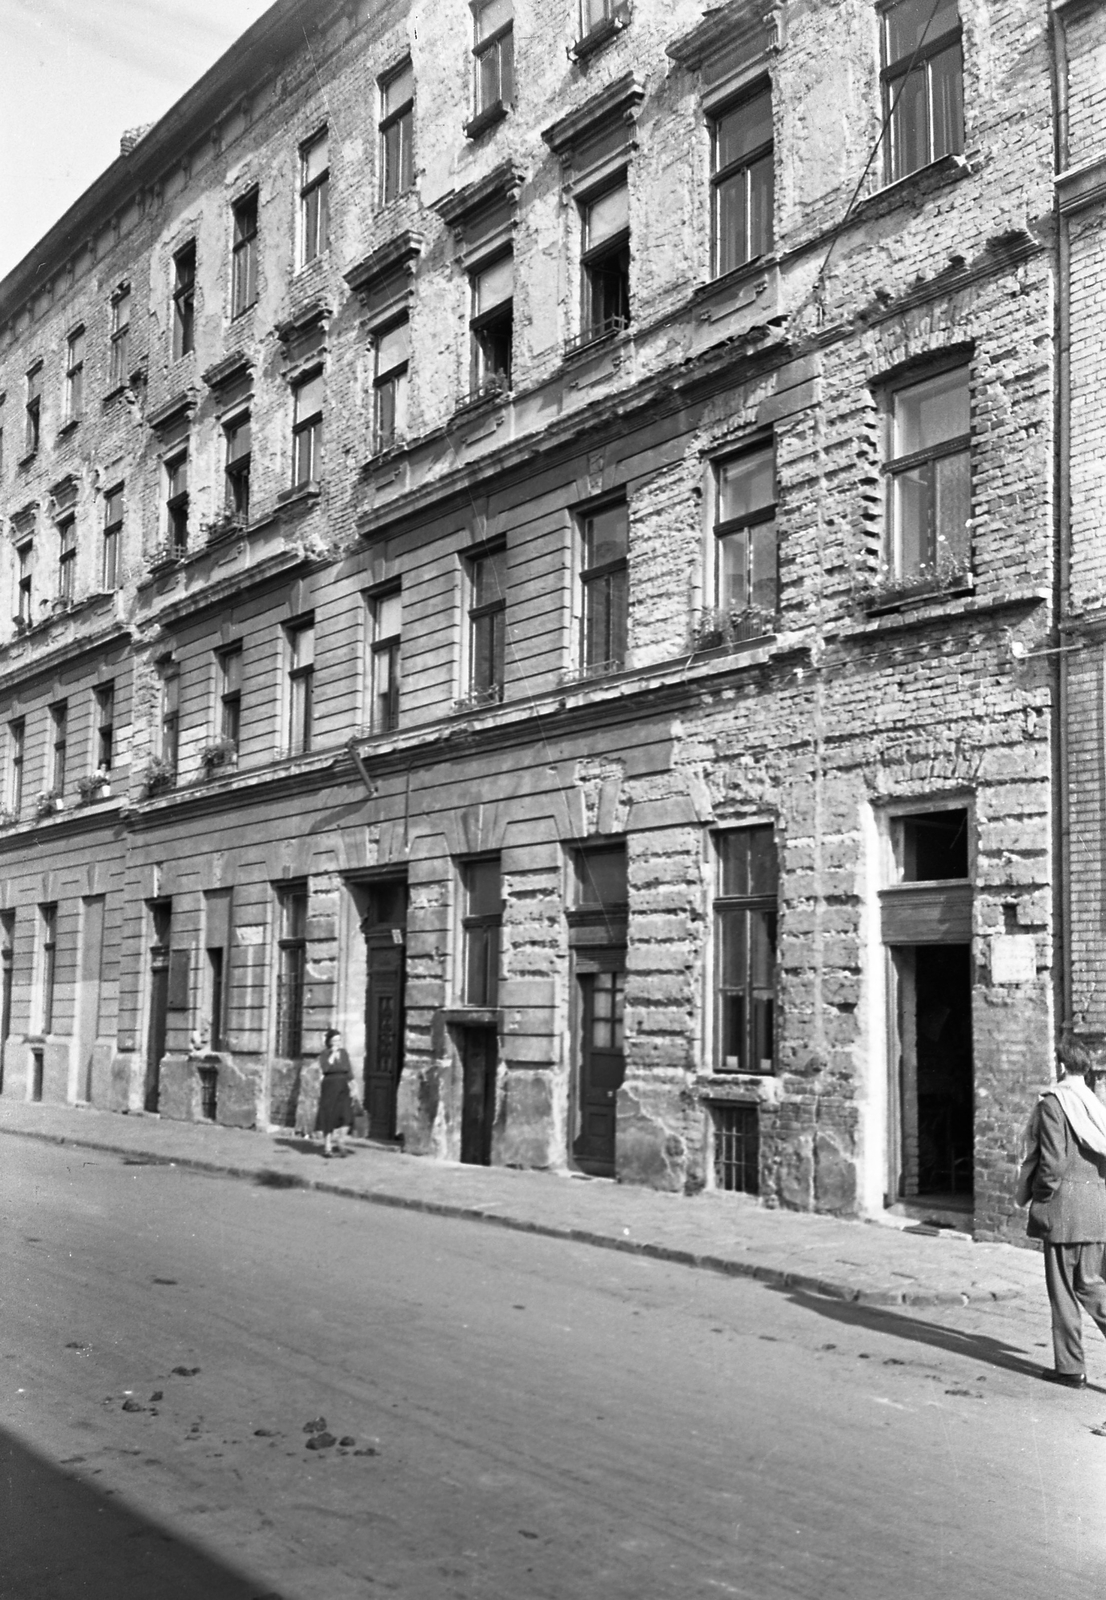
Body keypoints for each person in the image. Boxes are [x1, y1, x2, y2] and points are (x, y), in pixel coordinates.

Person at [1017, 1039, 1106, 1387]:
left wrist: (1040, 1199)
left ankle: (1070, 1368)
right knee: (1091, 1286)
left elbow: (1051, 1163)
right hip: (1097, 1210)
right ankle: (1070, 1366)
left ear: (1061, 1065)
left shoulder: (1055, 1103)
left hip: (1064, 1210)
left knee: (1064, 1291)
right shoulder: (1095, 1107)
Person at [314, 1028, 353, 1159]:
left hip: (343, 1086)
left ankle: (341, 1142)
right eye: (334, 1040)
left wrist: (353, 1086)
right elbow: (325, 1068)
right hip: (329, 1087)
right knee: (328, 1115)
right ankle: (327, 1146)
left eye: (339, 1040)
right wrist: (332, 1055)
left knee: (346, 1115)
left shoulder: (344, 1053)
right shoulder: (324, 1054)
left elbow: (349, 1070)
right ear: (329, 1041)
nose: (337, 1042)